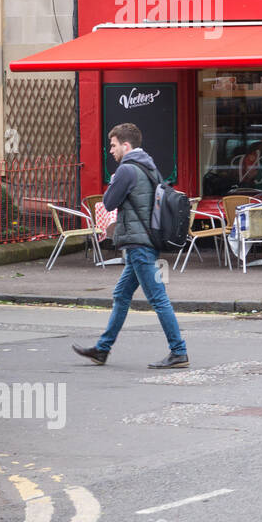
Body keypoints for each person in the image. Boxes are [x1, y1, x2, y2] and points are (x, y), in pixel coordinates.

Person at [72, 123, 190, 369]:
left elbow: (108, 203)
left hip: (138, 244)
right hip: (148, 240)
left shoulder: (127, 170)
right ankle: (102, 349)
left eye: (113, 145)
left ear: (126, 145)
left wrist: (114, 181)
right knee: (122, 294)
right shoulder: (150, 167)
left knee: (158, 298)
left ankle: (178, 351)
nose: (111, 151)